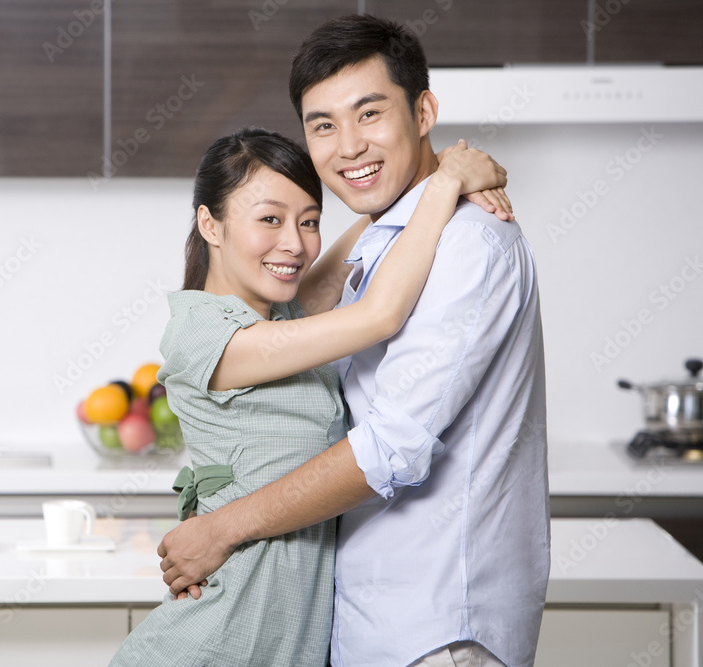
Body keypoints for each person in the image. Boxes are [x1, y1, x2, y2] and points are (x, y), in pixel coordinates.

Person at [158, 14, 550, 667]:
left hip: (436, 630)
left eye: (369, 114)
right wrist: (444, 175)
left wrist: (221, 527)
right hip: (372, 624)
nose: (348, 146)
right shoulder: (386, 241)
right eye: (323, 126)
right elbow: (336, 286)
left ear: (423, 110)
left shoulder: (469, 245)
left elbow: (392, 443)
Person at [109, 126, 509, 666]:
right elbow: (379, 314)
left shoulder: (285, 314)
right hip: (214, 642)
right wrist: (445, 185)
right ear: (211, 224)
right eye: (270, 219)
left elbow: (378, 223)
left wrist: (443, 169)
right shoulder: (208, 334)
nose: (295, 243)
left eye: (310, 221)